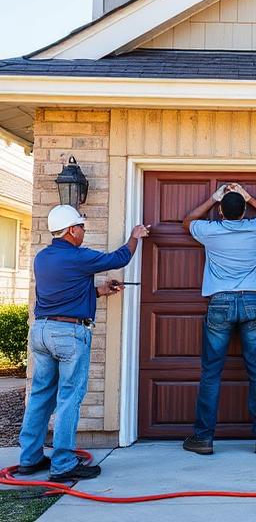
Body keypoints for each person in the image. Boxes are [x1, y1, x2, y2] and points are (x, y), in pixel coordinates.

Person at [17, 205, 149, 481]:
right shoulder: (78, 257)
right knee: (69, 398)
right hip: (68, 335)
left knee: (41, 396)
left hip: (41, 331)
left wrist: (99, 291)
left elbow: (65, 292)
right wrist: (135, 235)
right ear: (71, 230)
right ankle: (63, 463)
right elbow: (120, 257)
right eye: (82, 228)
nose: (84, 233)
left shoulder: (42, 258)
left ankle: (29, 458)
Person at [181, 182, 256, 456]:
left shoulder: (210, 231)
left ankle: (203, 439)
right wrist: (250, 196)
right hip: (252, 302)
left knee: (211, 372)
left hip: (220, 302)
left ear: (221, 213)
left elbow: (188, 220)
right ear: (244, 211)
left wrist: (213, 198)